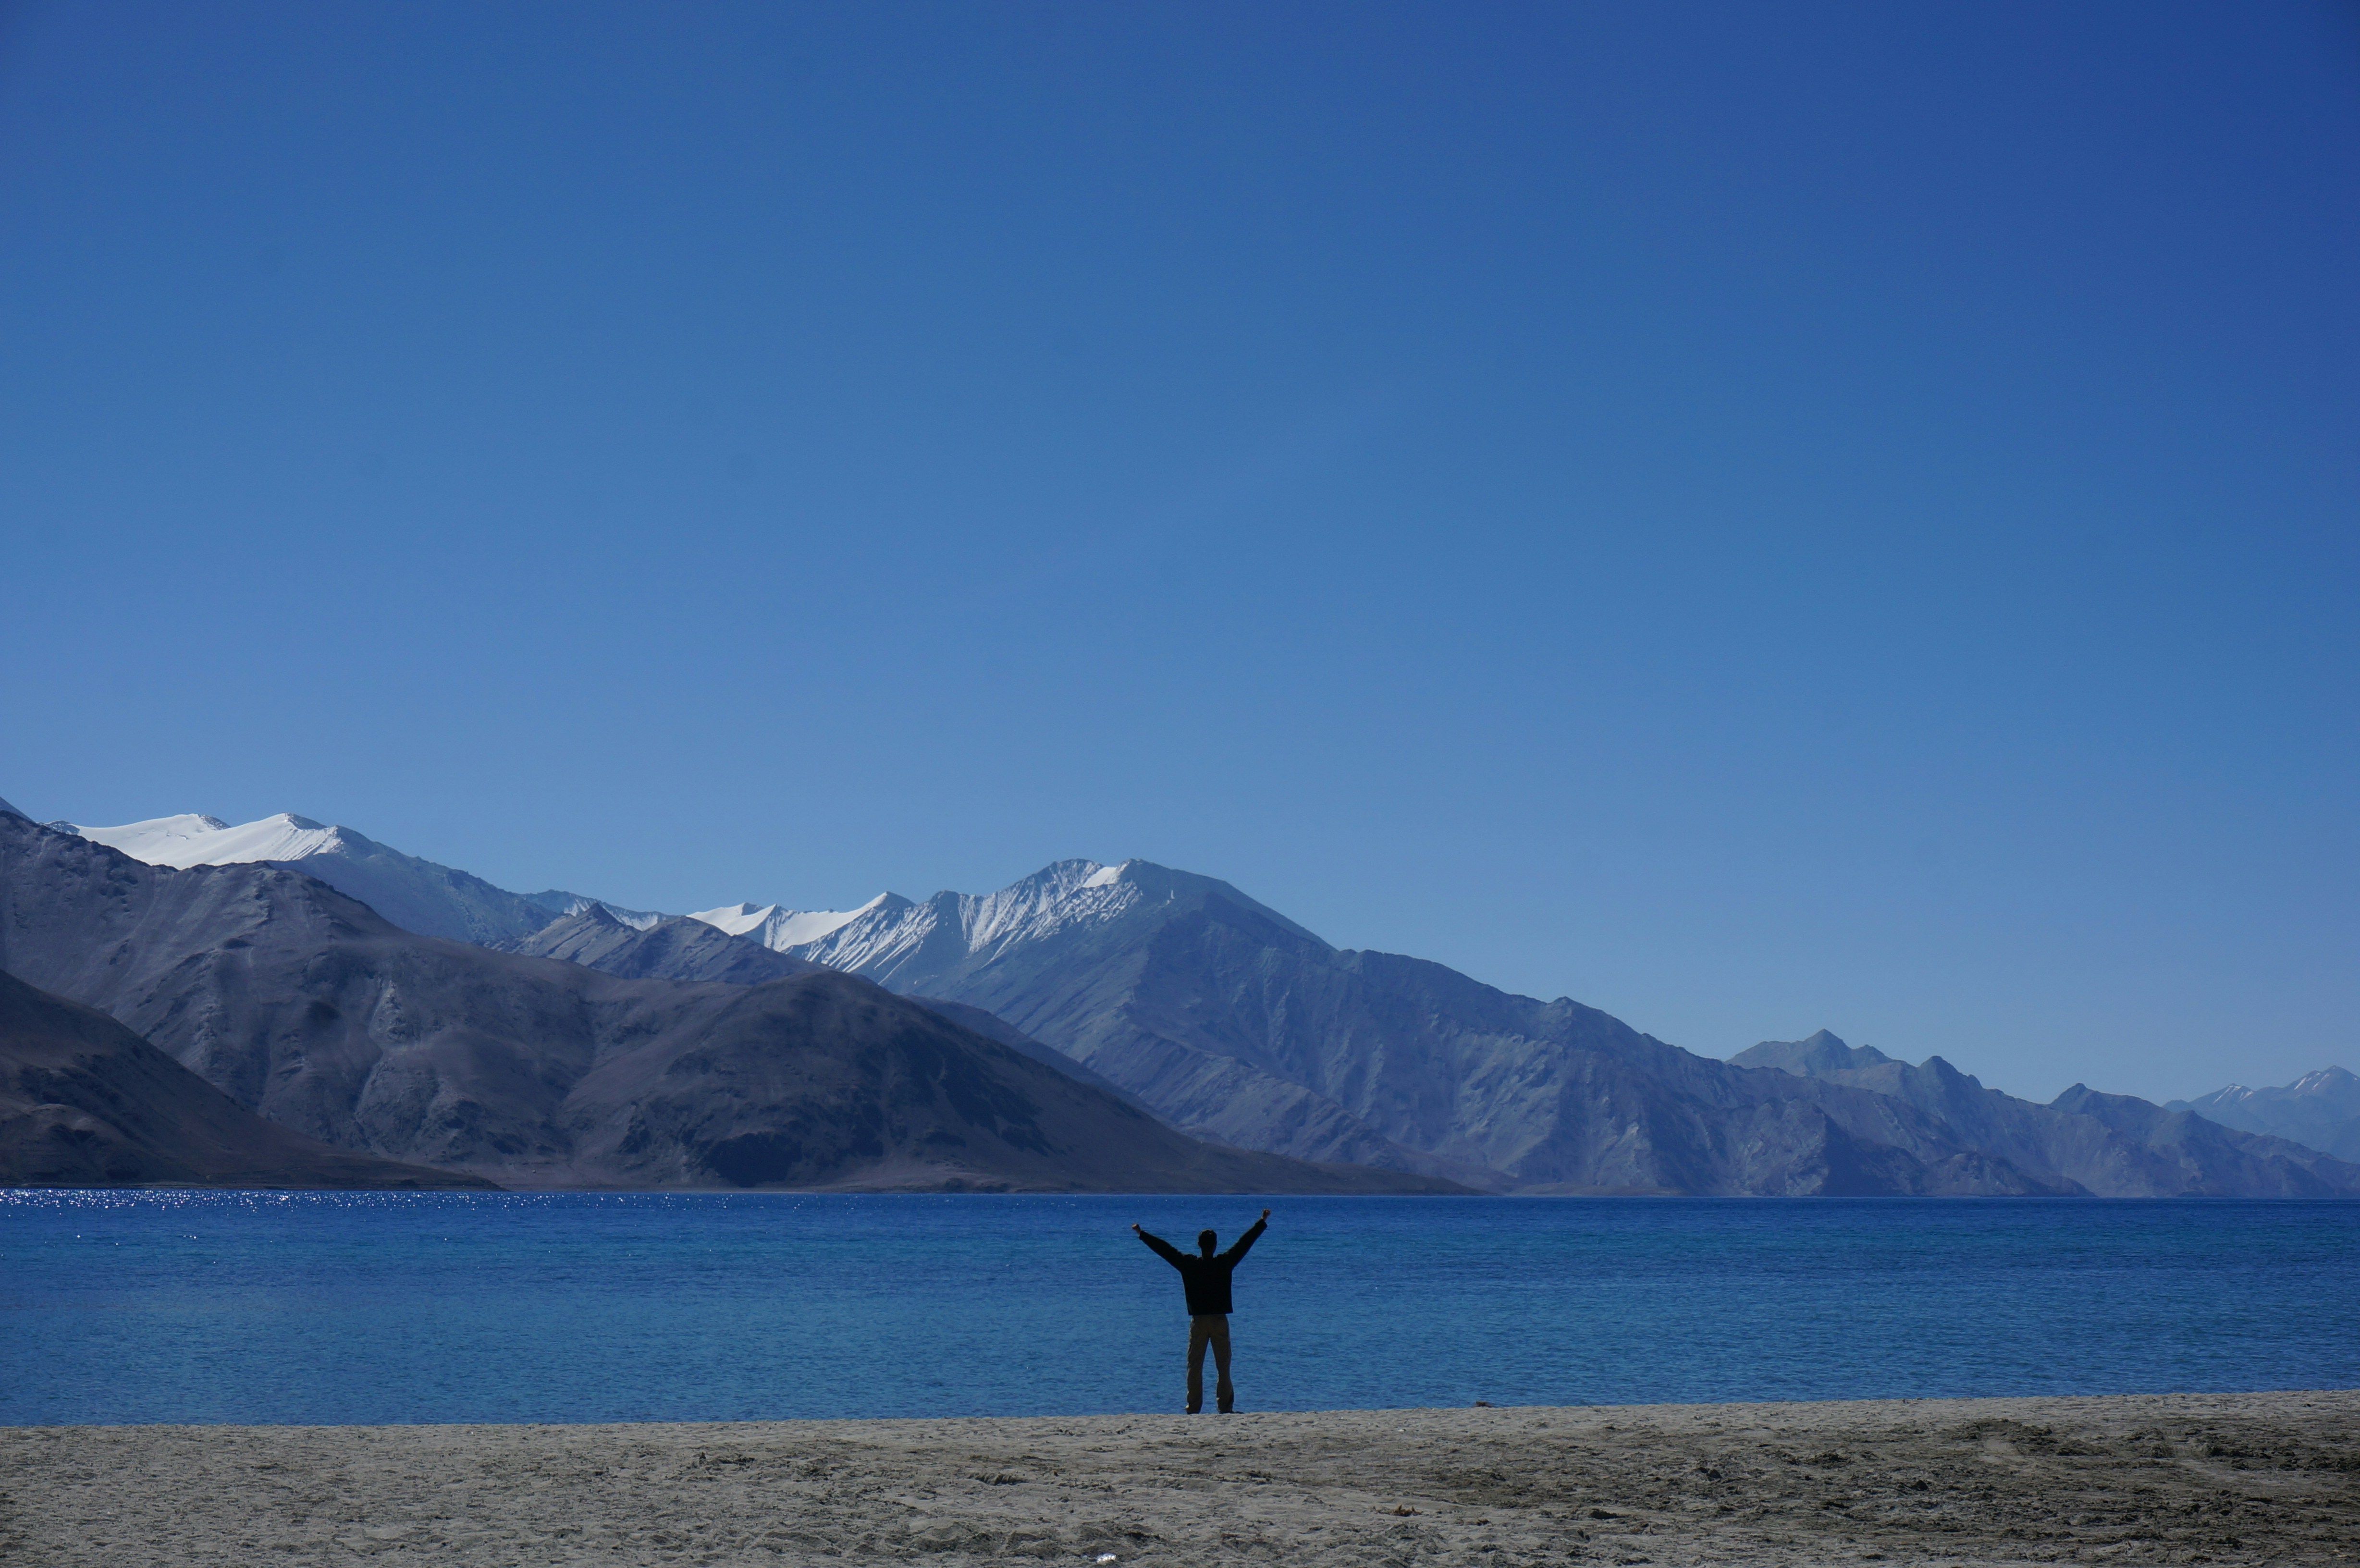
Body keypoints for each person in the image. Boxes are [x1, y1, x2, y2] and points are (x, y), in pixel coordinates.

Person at [1131, 1208, 1270, 1414]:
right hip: (1219, 1320)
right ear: (1215, 1246)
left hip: (1199, 1321)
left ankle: (1194, 1407)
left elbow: (1166, 1250)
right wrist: (1261, 1222)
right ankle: (1225, 1407)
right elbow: (1244, 1243)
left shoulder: (1189, 1265)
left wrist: (1142, 1234)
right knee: (1223, 1365)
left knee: (1195, 1365)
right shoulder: (1224, 1263)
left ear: (1199, 1245)